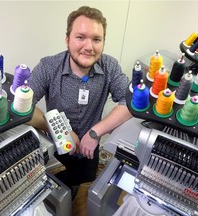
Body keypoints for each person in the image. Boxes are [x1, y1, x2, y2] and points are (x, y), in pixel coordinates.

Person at [27, 5, 132, 200]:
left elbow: (131, 102)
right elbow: (22, 108)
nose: (89, 47)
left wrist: (95, 133)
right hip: (56, 149)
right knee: (53, 186)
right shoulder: (48, 66)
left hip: (89, 150)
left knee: (83, 178)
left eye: (96, 39)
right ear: (67, 39)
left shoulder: (109, 66)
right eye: (80, 37)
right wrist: (62, 131)